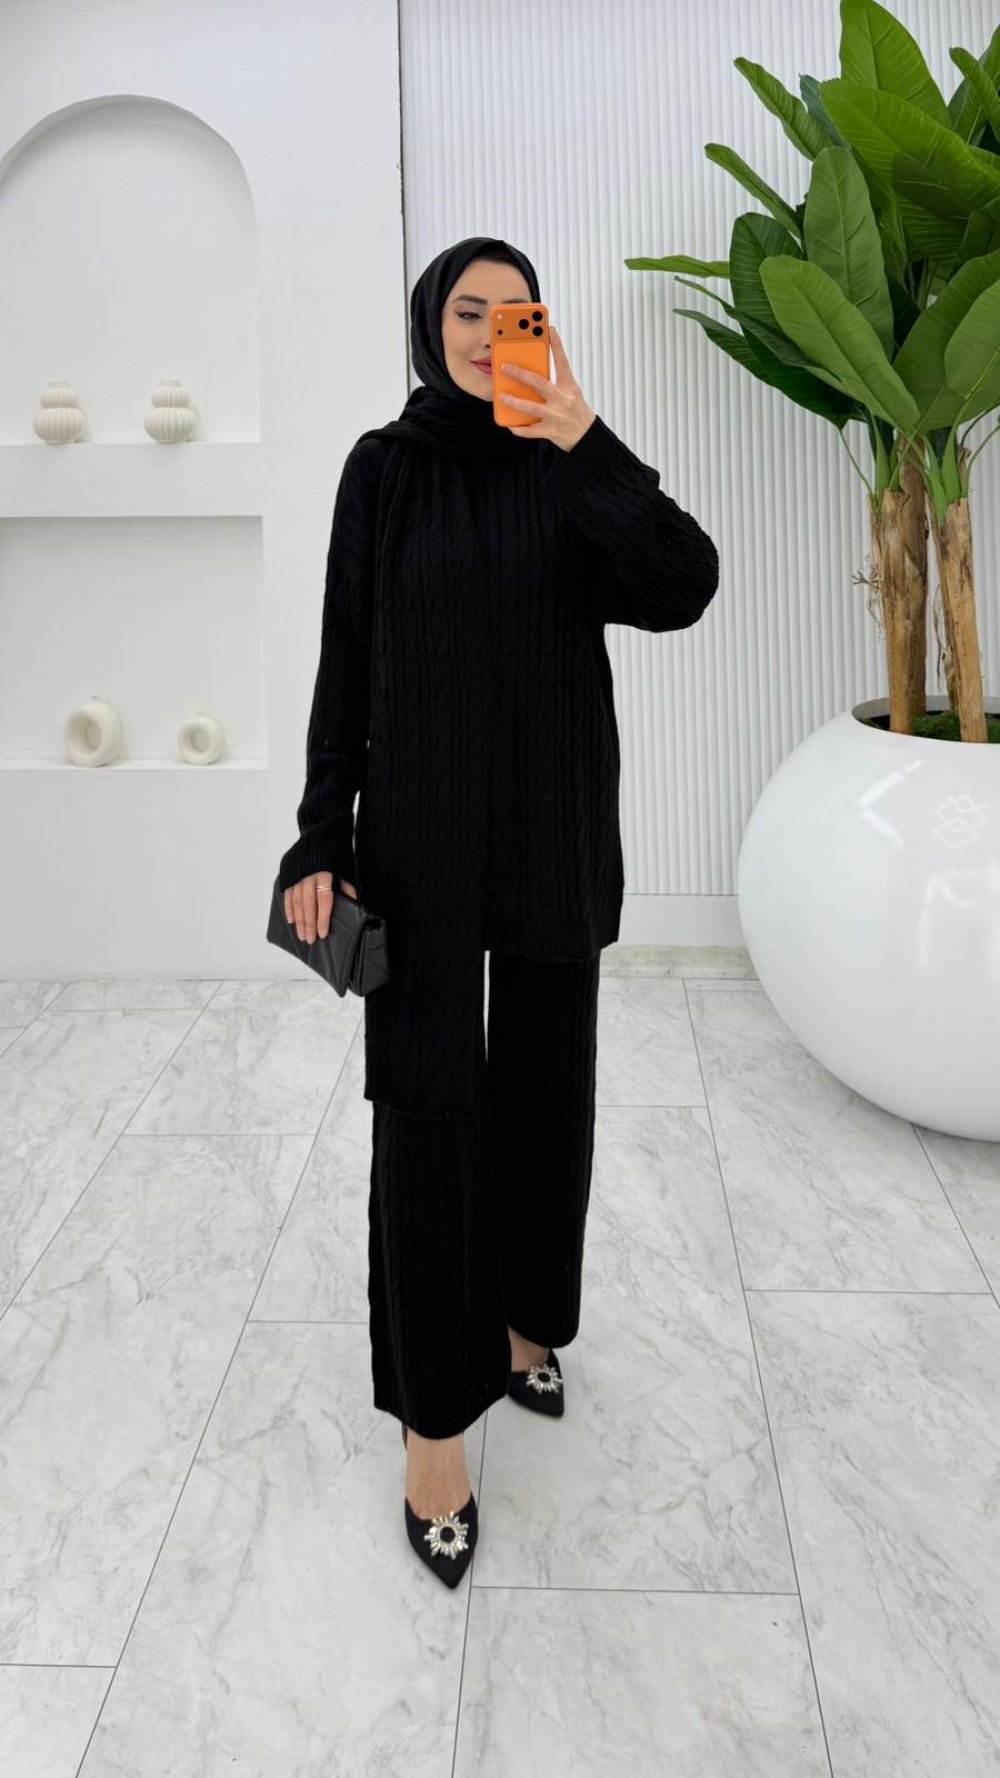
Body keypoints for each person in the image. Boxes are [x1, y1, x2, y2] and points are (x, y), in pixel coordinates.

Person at [278, 235, 719, 1585]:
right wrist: (320, 833)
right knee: (428, 1119)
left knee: (544, 1097)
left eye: (513, 313)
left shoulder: (565, 466)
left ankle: (528, 1322)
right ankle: (433, 1428)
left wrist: (583, 438)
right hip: (416, 849)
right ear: (431, 326)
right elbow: (345, 660)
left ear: (541, 332)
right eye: (466, 311)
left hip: (550, 830)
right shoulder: (383, 470)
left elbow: (685, 584)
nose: (486, 332)